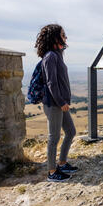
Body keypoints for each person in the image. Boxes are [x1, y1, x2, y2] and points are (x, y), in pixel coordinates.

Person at [34, 24, 78, 182]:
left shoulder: (57, 54)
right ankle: (52, 172)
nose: (65, 37)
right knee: (54, 137)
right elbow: (52, 83)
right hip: (54, 104)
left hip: (60, 103)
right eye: (63, 35)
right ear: (55, 37)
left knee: (71, 131)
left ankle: (62, 162)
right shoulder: (50, 56)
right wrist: (61, 102)